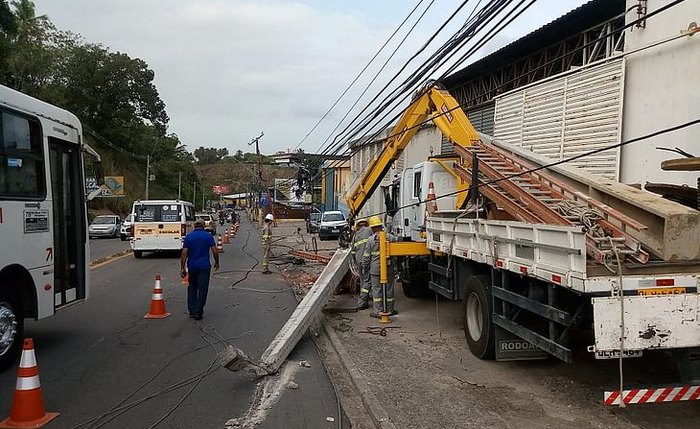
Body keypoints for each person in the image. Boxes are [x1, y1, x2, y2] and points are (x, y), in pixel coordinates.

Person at [180, 218, 220, 320]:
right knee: (202, 289)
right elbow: (215, 251)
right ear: (203, 226)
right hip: (204, 267)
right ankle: (198, 311)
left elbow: (184, 253)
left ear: (194, 226)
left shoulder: (189, 237)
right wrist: (217, 262)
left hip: (192, 267)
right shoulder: (208, 236)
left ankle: (192, 311)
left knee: (192, 288)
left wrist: (182, 268)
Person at [362, 216, 398, 318]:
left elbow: (366, 256)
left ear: (372, 228)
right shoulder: (389, 236)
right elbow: (398, 242)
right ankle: (390, 309)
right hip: (388, 268)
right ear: (380, 226)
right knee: (389, 289)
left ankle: (378, 311)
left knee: (377, 290)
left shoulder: (370, 240)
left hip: (375, 269)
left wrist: (365, 267)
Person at [351, 218, 372, 310]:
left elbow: (353, 251)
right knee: (368, 280)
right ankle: (362, 301)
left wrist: (355, 261)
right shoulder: (370, 230)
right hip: (368, 260)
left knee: (363, 280)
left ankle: (365, 298)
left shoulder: (356, 235)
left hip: (359, 260)